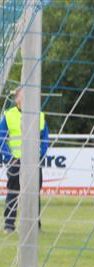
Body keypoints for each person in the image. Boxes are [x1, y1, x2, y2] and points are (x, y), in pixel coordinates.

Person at [0, 87, 49, 233]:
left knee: (34, 193)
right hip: (16, 160)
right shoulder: (8, 115)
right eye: (24, 95)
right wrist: (10, 157)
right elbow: (2, 139)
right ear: (17, 99)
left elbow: (45, 138)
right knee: (13, 192)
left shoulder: (39, 115)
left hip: (34, 161)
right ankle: (9, 224)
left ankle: (35, 224)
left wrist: (40, 155)